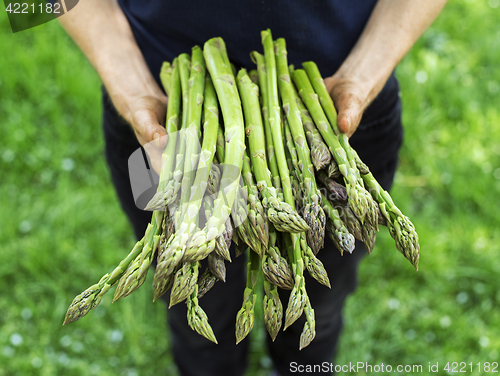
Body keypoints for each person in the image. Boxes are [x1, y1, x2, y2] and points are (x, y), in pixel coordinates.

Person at [58, 1, 447, 375]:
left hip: (330, 120)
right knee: (197, 311)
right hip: (164, 120)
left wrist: (364, 75)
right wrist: (129, 85)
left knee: (319, 303)